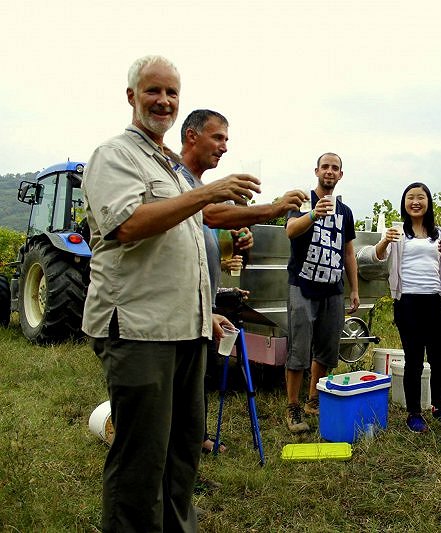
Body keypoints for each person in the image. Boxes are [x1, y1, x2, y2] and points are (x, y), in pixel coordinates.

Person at [81, 55, 260, 532]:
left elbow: (187, 236)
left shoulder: (172, 169)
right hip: (141, 329)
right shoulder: (114, 155)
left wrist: (231, 233)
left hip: (187, 329)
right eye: (153, 91)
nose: (163, 101)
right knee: (141, 457)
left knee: (182, 449)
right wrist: (207, 193)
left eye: (172, 93)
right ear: (131, 97)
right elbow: (127, 226)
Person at [178, 108, 305, 453]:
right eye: (218, 138)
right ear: (192, 136)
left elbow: (204, 239)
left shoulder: (197, 185)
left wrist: (232, 243)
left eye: (226, 140)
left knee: (197, 377)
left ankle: (195, 438)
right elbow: (207, 214)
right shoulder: (179, 182)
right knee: (180, 381)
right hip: (174, 307)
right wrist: (272, 209)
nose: (224, 146)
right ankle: (182, 446)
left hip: (200, 303)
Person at [360, 182, 441, 433]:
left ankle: (439, 406)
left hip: (434, 301)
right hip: (407, 302)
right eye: (410, 198)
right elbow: (374, 258)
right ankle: (414, 413)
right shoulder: (396, 232)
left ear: (428, 203)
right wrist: (384, 242)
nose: (416, 202)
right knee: (413, 360)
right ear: (404, 203)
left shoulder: (440, 234)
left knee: (440, 359)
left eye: (421, 197)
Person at [284, 153, 359, 433]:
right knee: (298, 349)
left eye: (335, 168)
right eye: (325, 166)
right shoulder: (303, 201)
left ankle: (314, 399)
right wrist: (314, 214)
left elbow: (348, 251)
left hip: (333, 288)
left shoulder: (346, 211)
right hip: (302, 285)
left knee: (327, 349)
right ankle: (292, 406)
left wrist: (354, 289)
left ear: (341, 175)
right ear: (316, 170)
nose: (329, 171)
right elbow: (290, 230)